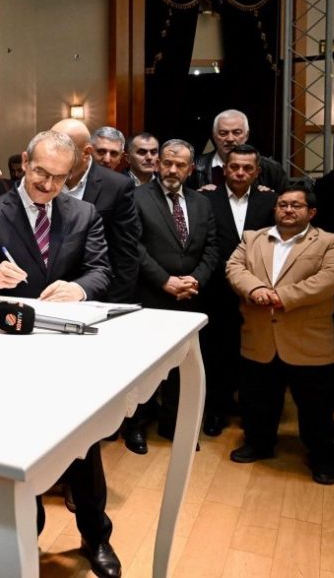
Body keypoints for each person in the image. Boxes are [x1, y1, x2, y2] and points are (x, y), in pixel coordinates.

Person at [0, 130, 121, 578]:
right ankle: (27, 531)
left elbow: (101, 270)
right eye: (40, 172)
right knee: (17, 445)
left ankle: (95, 535)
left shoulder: (83, 213)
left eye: (58, 178)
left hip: (68, 350)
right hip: (13, 349)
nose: (47, 185)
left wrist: (79, 288)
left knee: (84, 448)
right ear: (25, 162)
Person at [225, 185, 334, 484]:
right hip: (260, 336)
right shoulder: (252, 238)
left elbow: (332, 277)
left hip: (308, 340)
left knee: (315, 406)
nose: (288, 210)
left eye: (296, 205)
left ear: (311, 212)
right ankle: (259, 443)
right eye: (282, 204)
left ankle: (321, 456)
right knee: (258, 399)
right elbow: (234, 268)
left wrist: (282, 296)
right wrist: (255, 289)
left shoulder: (332, 242)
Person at [127, 139, 219, 453]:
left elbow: (212, 247)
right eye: (167, 162)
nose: (172, 169)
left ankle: (172, 425)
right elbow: (134, 246)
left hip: (190, 299)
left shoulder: (201, 203)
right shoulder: (137, 197)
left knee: (183, 367)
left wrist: (196, 279)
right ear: (158, 165)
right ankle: (136, 427)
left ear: (191, 169)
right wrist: (165, 281)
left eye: (180, 165)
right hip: (151, 296)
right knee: (144, 366)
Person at [198, 144, 277, 437]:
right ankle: (216, 409)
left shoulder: (271, 201)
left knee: (253, 353)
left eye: (247, 168)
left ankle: (249, 409)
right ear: (224, 170)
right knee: (216, 351)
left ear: (257, 172)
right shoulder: (205, 199)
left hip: (256, 291)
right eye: (234, 167)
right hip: (216, 289)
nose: (240, 172)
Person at [52, 119, 141, 304]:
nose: (55, 158)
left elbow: (125, 255)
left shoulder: (117, 186)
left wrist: (113, 306)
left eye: (64, 152)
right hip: (48, 293)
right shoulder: (45, 180)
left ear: (86, 153)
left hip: (96, 298)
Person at [191, 109, 287, 192]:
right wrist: (198, 197)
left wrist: (271, 198)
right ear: (214, 136)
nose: (230, 139)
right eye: (223, 133)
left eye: (236, 133)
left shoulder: (271, 169)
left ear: (247, 135)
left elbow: (286, 202)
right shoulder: (195, 167)